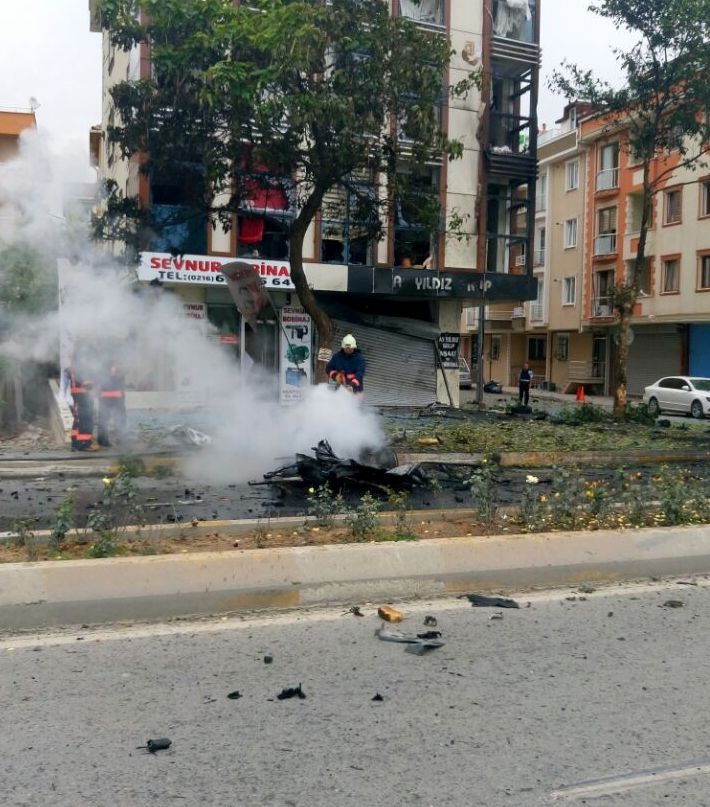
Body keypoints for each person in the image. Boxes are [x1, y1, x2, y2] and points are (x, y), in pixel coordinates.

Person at [66, 363, 95, 451]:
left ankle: (75, 442)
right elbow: (88, 384)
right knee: (85, 420)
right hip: (83, 397)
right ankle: (84, 444)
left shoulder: (75, 368)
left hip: (79, 396)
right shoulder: (82, 368)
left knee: (78, 419)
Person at [97, 361, 127, 447]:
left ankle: (118, 439)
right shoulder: (107, 366)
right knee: (105, 419)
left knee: (116, 418)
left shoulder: (103, 364)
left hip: (113, 397)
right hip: (110, 397)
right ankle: (105, 440)